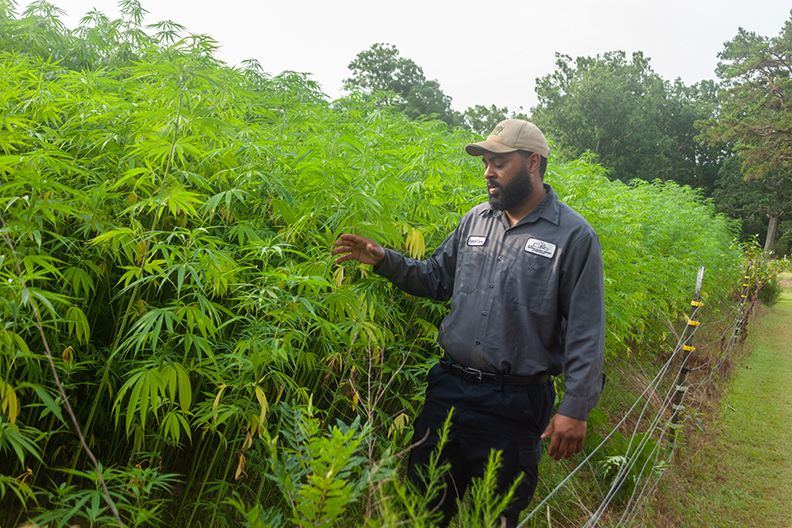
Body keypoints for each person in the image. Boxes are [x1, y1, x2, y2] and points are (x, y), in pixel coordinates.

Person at [332, 119, 605, 528]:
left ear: (532, 162)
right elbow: (436, 279)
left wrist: (576, 407)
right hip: (448, 392)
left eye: (498, 162)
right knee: (423, 510)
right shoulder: (476, 220)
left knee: (492, 517)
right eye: (486, 163)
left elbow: (586, 330)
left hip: (513, 406)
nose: (487, 172)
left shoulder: (574, 237)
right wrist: (383, 259)